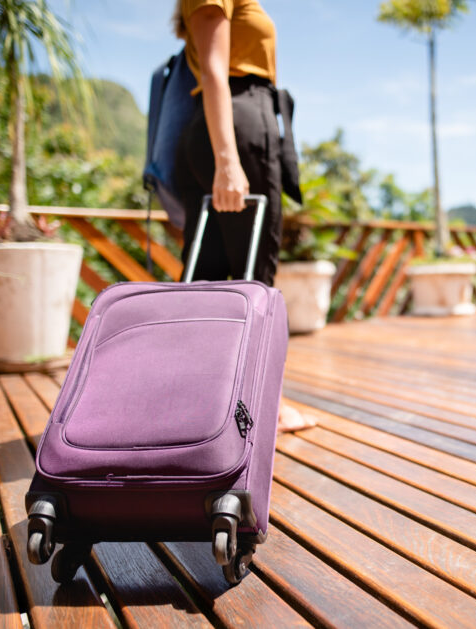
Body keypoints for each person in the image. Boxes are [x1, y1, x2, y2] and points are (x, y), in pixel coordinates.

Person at [173, 0, 315, 432]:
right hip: (237, 126)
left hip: (225, 125)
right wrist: (228, 161)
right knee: (255, 272)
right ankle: (263, 404)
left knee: (209, 276)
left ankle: (203, 401)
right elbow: (216, 69)